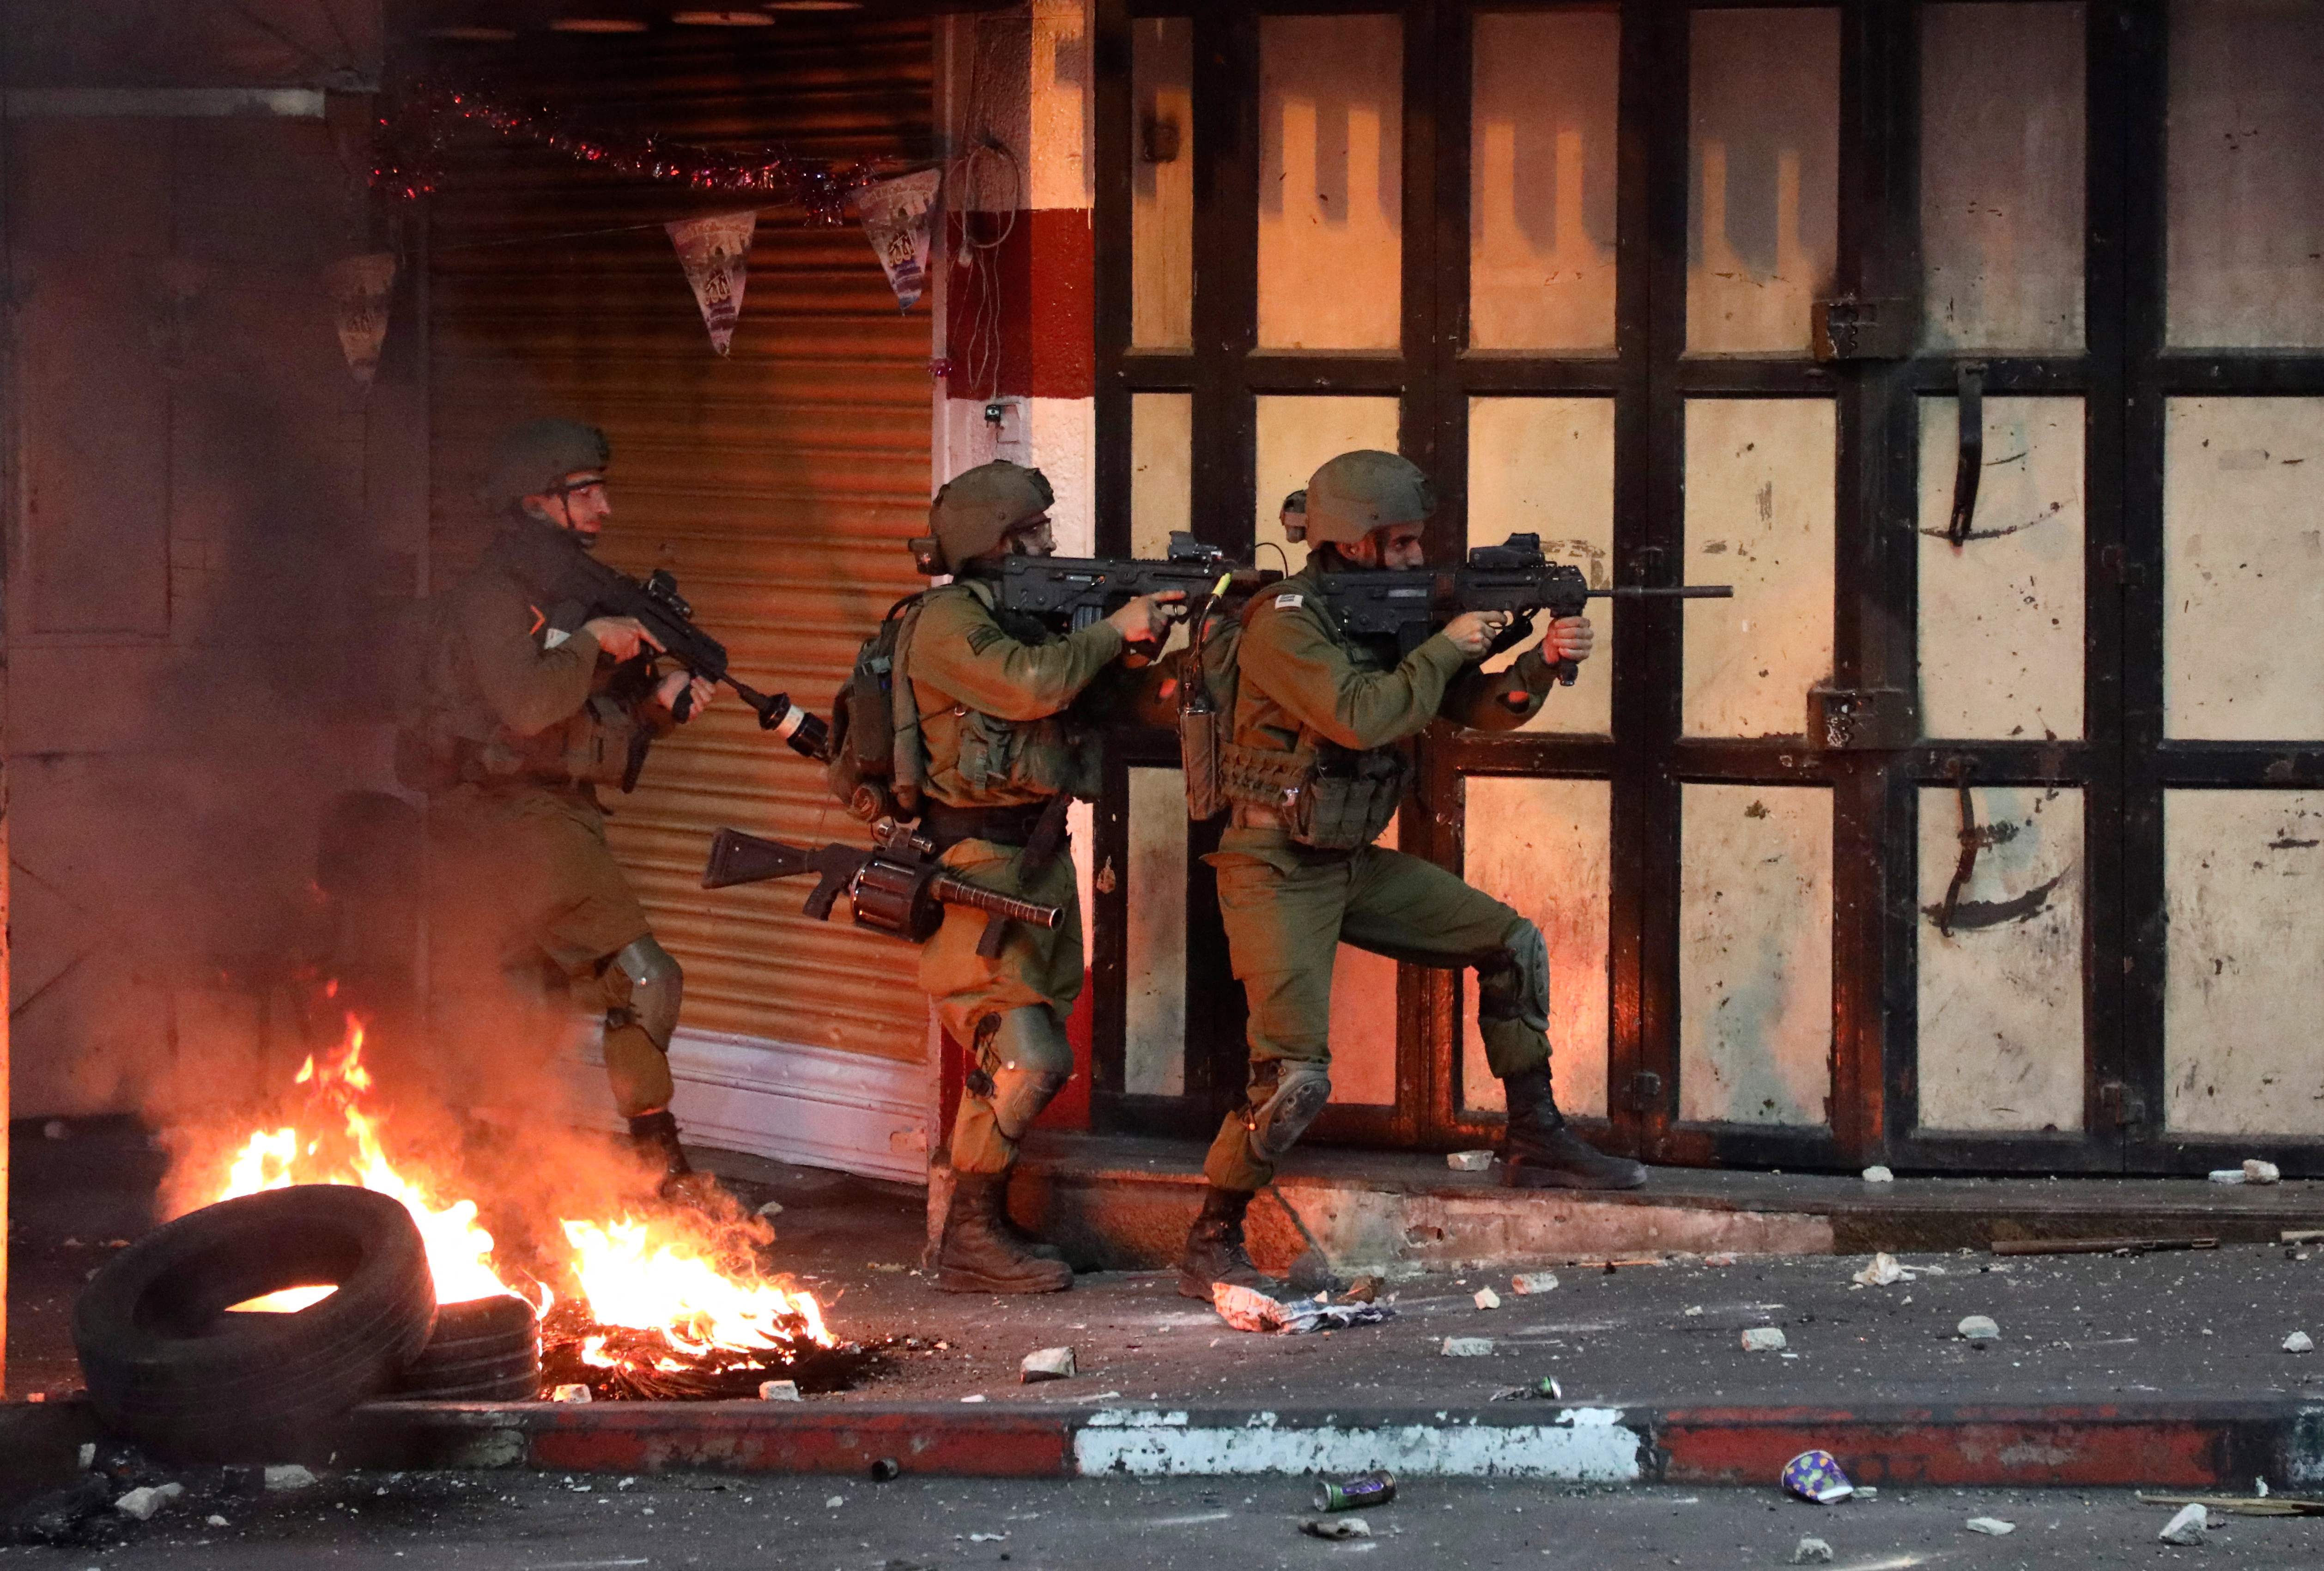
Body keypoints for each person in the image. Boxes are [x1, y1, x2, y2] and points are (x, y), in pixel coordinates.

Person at [1176, 449, 1647, 1301]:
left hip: (1348, 859)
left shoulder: (1391, 619)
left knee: (1511, 943)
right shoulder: (1284, 620)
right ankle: (1212, 1234)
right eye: (1398, 546)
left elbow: (1471, 708)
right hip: (1274, 866)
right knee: (1292, 1077)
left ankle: (1534, 1138)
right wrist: (1443, 645)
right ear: (1353, 545)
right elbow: (1364, 717)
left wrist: (1544, 662)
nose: (1413, 561)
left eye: (1415, 545)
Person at [403, 418, 716, 1200]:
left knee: (527, 1008)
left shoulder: (553, 597)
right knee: (644, 978)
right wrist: (599, 642)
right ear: (536, 501)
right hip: (513, 821)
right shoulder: (493, 598)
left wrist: (657, 707)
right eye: (587, 492)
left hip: (531, 814)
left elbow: (573, 720)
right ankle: (659, 1169)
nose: (604, 508)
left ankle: (485, 1175)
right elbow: (530, 704)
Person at [904, 461, 1184, 1292]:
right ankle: (968, 1240)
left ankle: (982, 1226)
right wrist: (1108, 629)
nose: (1052, 546)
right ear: (998, 542)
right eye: (1036, 535)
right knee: (1026, 1055)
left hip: (1037, 864)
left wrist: (1141, 651)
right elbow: (1029, 688)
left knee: (1009, 1052)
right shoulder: (949, 621)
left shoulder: (1023, 617)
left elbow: (1095, 700)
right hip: (974, 868)